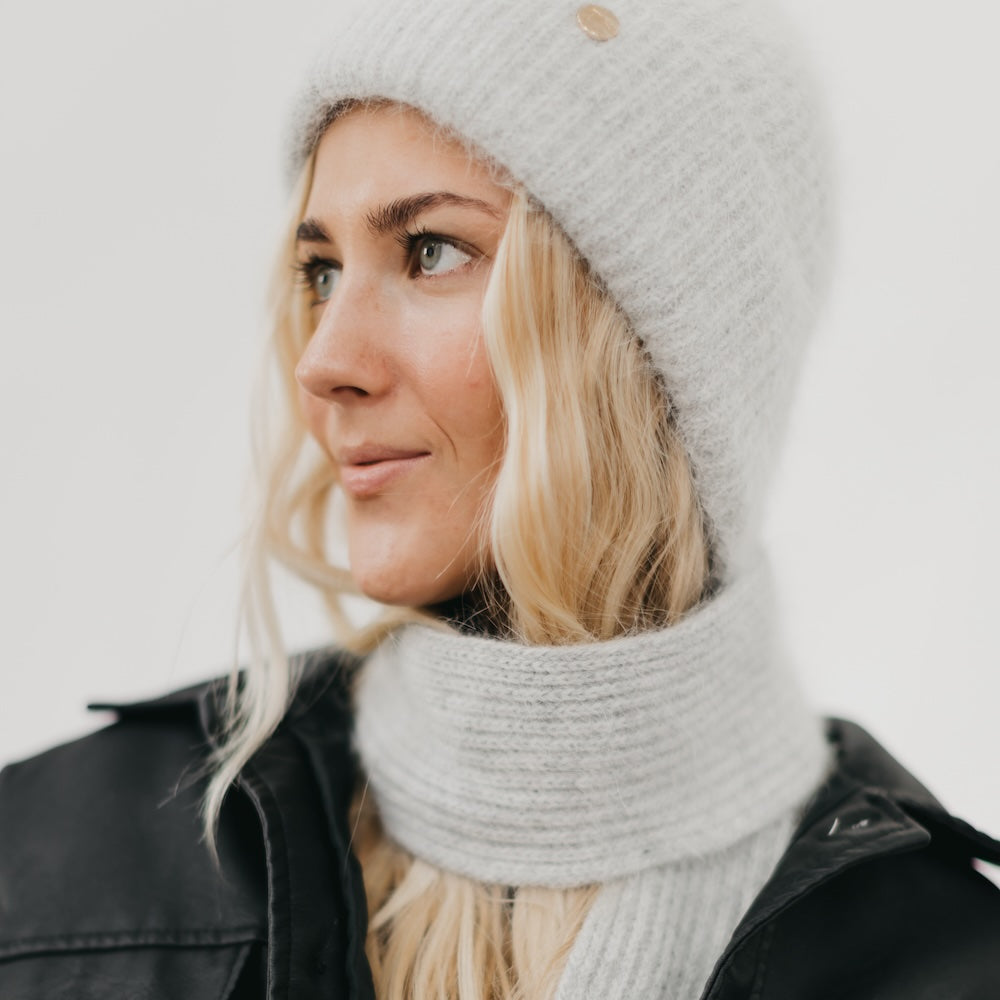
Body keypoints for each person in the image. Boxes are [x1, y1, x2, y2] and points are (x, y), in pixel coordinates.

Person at [1, 1, 998, 998]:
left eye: (431, 249)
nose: (324, 360)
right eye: (321, 269)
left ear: (653, 352)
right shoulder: (57, 870)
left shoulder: (949, 956)